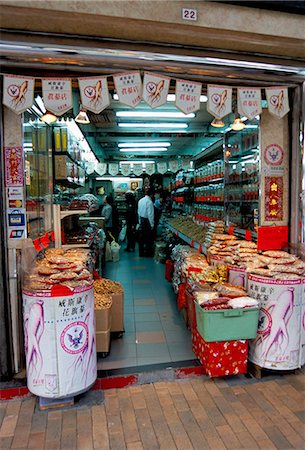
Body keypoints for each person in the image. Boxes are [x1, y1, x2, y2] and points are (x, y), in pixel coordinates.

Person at [137, 188, 154, 257]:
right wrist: (152, 224)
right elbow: (150, 214)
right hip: (147, 222)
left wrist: (139, 221)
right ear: (152, 195)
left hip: (141, 220)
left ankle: (141, 253)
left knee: (141, 238)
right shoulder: (149, 202)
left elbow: (138, 212)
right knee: (148, 238)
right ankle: (148, 253)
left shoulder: (140, 200)